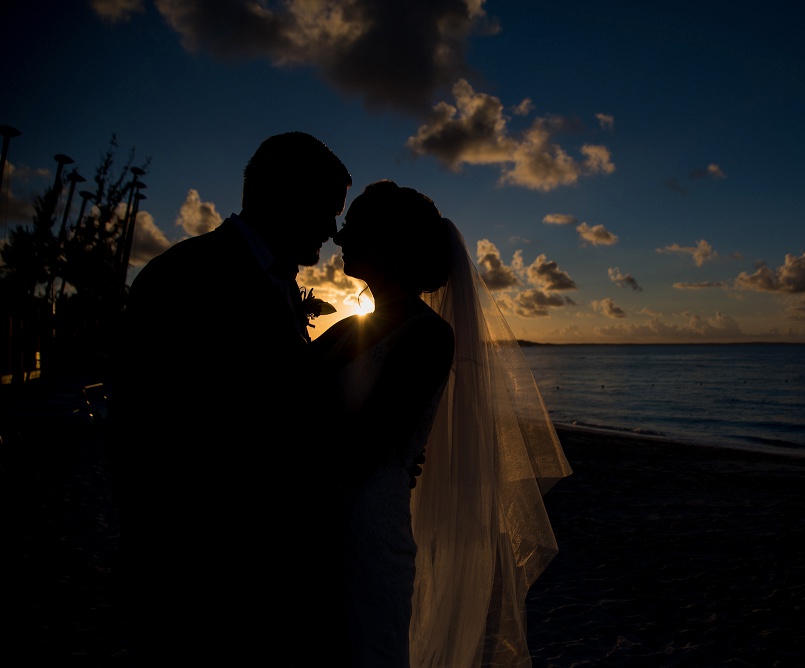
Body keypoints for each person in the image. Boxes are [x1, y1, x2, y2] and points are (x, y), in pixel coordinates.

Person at [107, 132, 351, 662]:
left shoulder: (279, 282)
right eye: (328, 210)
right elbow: (149, 432)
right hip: (198, 575)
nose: (334, 232)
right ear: (285, 196)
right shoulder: (188, 276)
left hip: (257, 576)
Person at [310, 180, 572, 667]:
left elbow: (367, 443)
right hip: (314, 520)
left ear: (390, 244)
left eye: (356, 227)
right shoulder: (347, 326)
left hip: (365, 527)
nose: (340, 239)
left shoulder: (428, 336)